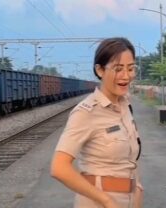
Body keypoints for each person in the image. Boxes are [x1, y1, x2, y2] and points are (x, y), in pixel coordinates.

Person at [50, 37, 143, 208]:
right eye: (118, 69)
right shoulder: (86, 113)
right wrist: (106, 201)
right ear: (100, 70)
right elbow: (59, 168)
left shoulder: (125, 105)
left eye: (131, 68)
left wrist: (137, 190)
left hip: (129, 200)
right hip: (99, 203)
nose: (126, 76)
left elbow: (130, 161)